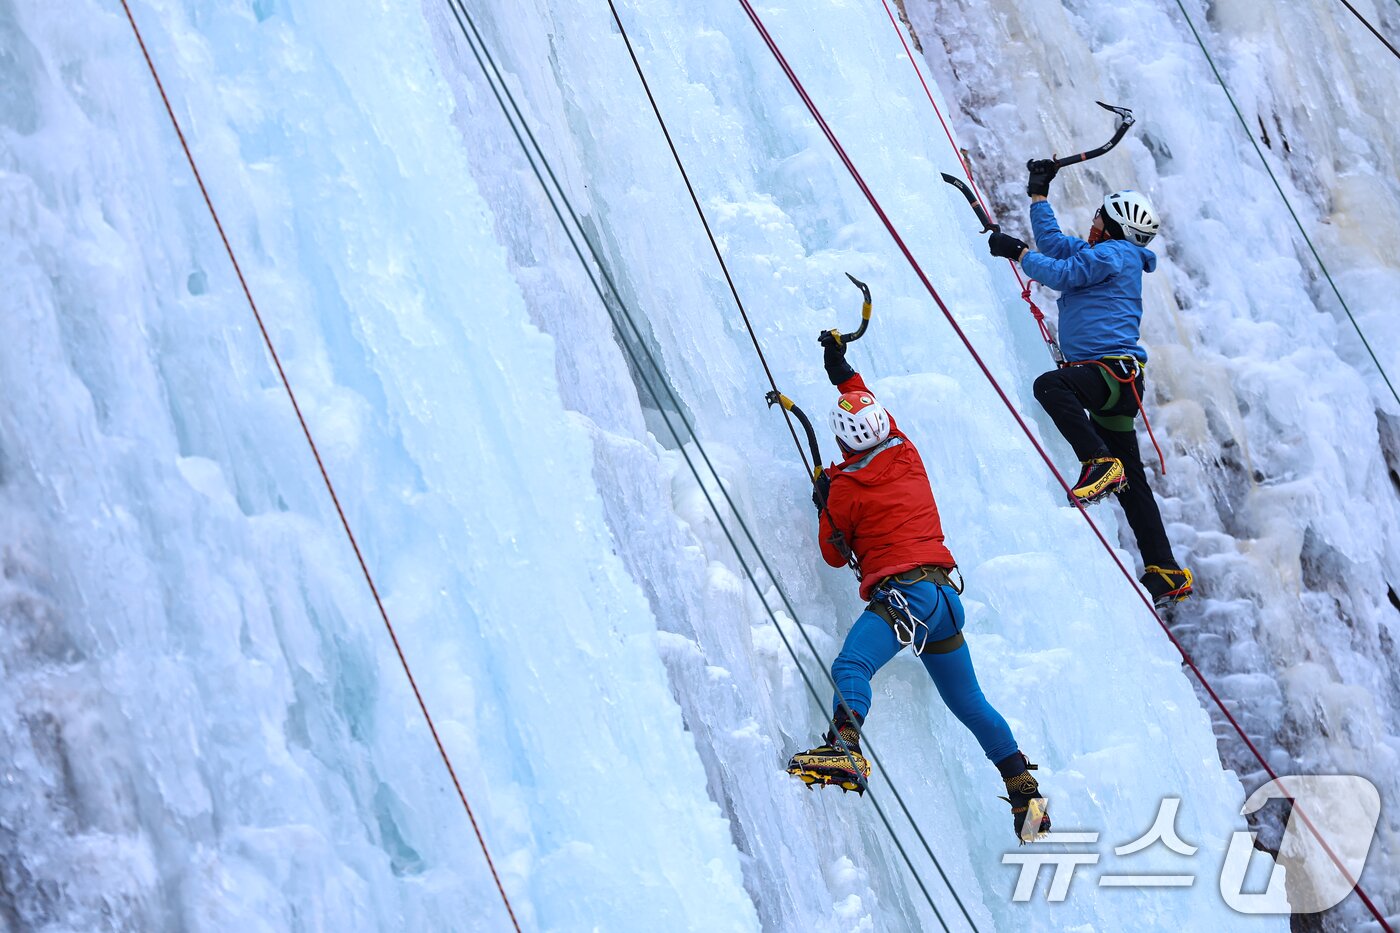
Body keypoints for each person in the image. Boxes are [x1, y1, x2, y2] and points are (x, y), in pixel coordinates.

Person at [786, 329, 1049, 843]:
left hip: (904, 597)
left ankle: (844, 749)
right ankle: (1027, 796)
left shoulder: (845, 489)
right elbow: (865, 404)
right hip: (944, 599)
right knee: (970, 703)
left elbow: (835, 555)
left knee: (852, 666)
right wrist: (841, 370)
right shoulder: (905, 449)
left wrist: (823, 503)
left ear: (841, 442)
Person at [986, 159, 1193, 607]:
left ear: (1114, 226)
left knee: (1051, 386)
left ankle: (1098, 462)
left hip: (1107, 373)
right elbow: (1055, 246)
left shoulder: (1114, 255)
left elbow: (1058, 273)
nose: (1094, 221)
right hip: (1117, 383)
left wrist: (1017, 253)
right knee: (1133, 483)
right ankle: (1165, 569)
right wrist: (1039, 195)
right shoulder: (1104, 256)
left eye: (1100, 216)